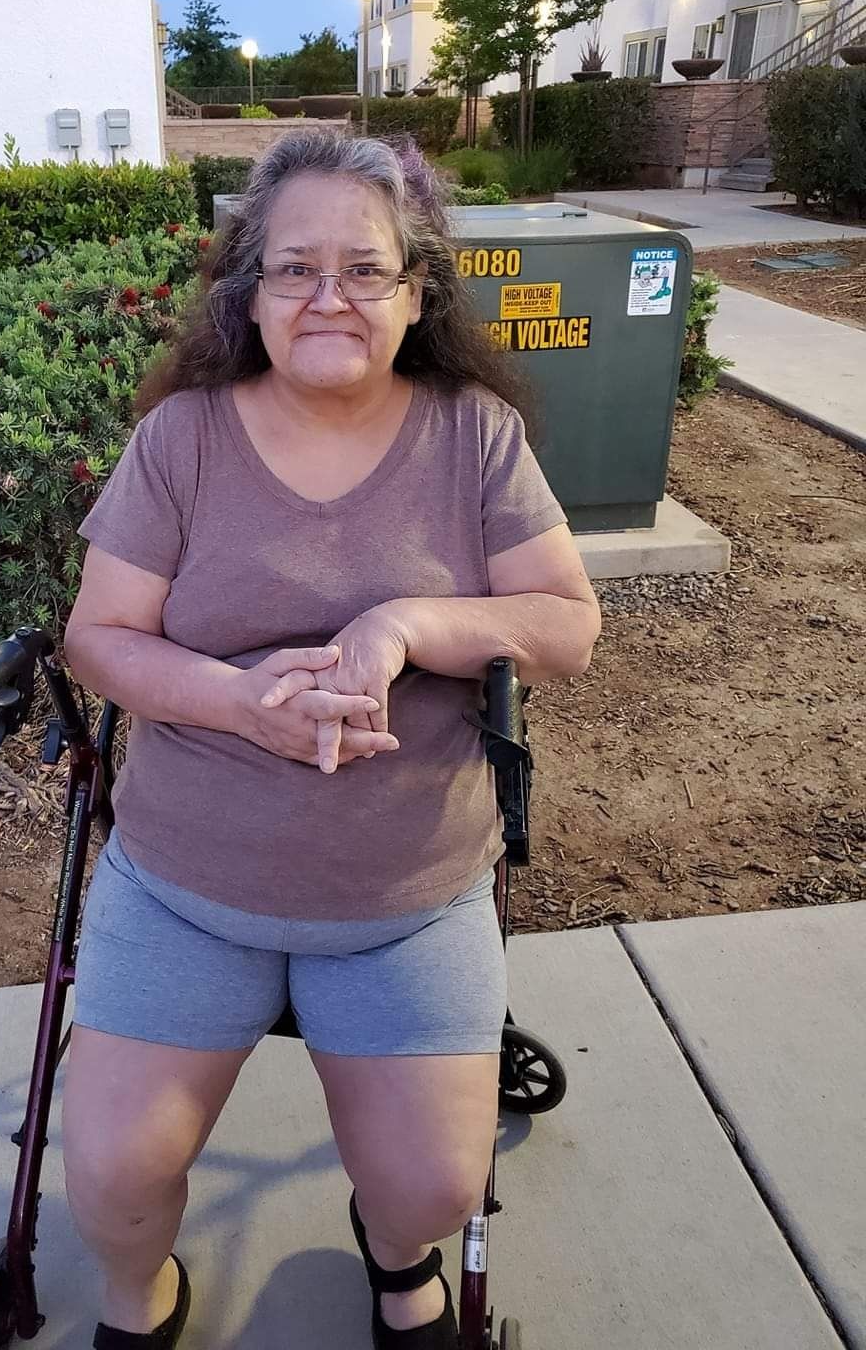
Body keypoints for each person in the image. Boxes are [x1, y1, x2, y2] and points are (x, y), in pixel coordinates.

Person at [61, 128, 602, 1350]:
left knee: (433, 1191)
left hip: (405, 897)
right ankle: (139, 1292)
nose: (327, 297)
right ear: (249, 295)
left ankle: (393, 1251)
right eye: (295, 268)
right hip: (188, 889)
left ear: (415, 294)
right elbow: (99, 638)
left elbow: (566, 625)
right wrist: (239, 701)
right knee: (112, 1177)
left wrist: (404, 623)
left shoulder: (472, 436)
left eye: (364, 269)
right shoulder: (182, 440)